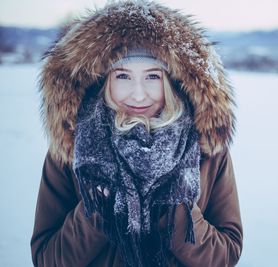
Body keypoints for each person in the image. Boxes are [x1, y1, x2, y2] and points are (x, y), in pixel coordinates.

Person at [30, 1, 243, 266]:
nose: (138, 94)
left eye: (153, 77)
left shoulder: (206, 148)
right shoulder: (73, 147)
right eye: (122, 76)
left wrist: (174, 207)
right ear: (103, 80)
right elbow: (46, 258)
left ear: (173, 81)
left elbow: (226, 254)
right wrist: (99, 203)